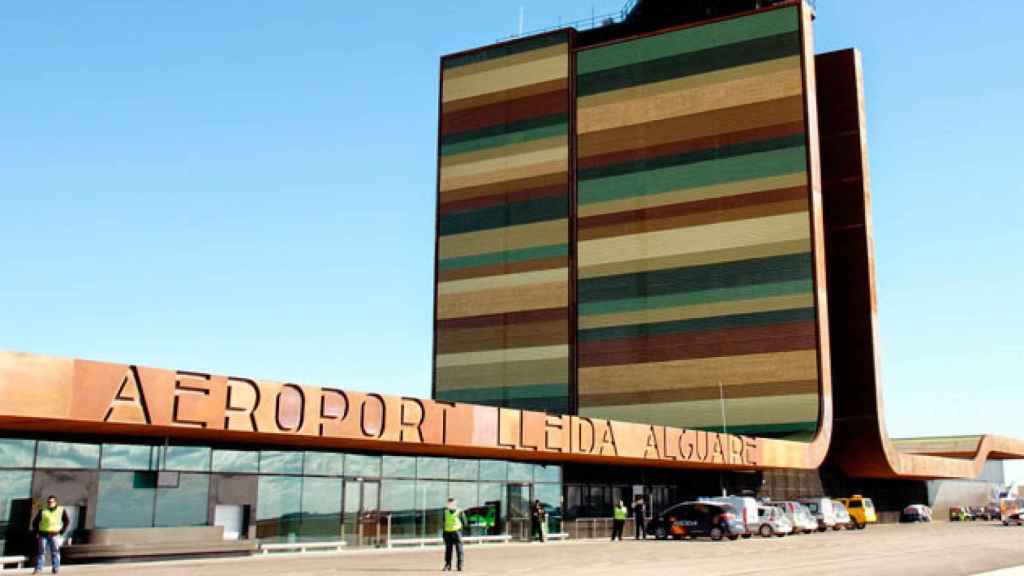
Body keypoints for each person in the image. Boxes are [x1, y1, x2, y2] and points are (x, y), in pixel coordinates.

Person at [31, 495, 69, 575]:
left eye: (51, 502)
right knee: (41, 552)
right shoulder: (43, 511)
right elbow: (35, 522)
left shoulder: (61, 510)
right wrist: (37, 532)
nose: (49, 503)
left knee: (55, 552)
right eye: (48, 502)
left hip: (55, 535)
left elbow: (66, 521)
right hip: (43, 535)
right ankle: (38, 569)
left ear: (55, 502)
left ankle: (55, 569)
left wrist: (62, 531)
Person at [442, 498, 468, 572]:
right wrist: (443, 534)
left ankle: (460, 566)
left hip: (457, 533)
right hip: (448, 532)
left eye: (452, 503)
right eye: (449, 504)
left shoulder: (460, 511)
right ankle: (447, 565)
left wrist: (460, 531)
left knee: (459, 550)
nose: (450, 505)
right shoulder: (445, 512)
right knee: (448, 550)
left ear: (455, 504)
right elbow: (444, 523)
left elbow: (465, 522)